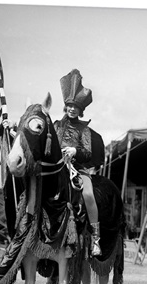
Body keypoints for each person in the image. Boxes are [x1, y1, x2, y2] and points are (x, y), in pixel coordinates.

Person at [54, 68, 105, 256]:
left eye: (75, 106)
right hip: (56, 167)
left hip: (77, 169)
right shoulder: (56, 125)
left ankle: (96, 240)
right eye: (69, 105)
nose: (72, 109)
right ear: (65, 106)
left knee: (89, 195)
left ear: (80, 109)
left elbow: (88, 152)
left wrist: (75, 150)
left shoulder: (84, 130)